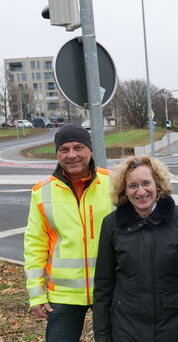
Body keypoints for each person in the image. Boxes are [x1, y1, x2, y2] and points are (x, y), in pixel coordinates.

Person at [93, 155, 178, 342]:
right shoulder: (111, 224)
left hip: (175, 329)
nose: (141, 191)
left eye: (146, 183)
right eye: (133, 186)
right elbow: (103, 285)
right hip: (126, 329)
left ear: (157, 185)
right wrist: (102, 335)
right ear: (124, 191)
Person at [24, 124, 112, 341]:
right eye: (64, 149)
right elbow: (35, 245)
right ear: (57, 154)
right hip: (64, 295)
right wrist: (36, 294)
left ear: (90, 150)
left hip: (111, 289)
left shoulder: (113, 182)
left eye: (78, 147)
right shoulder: (41, 191)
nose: (72, 155)